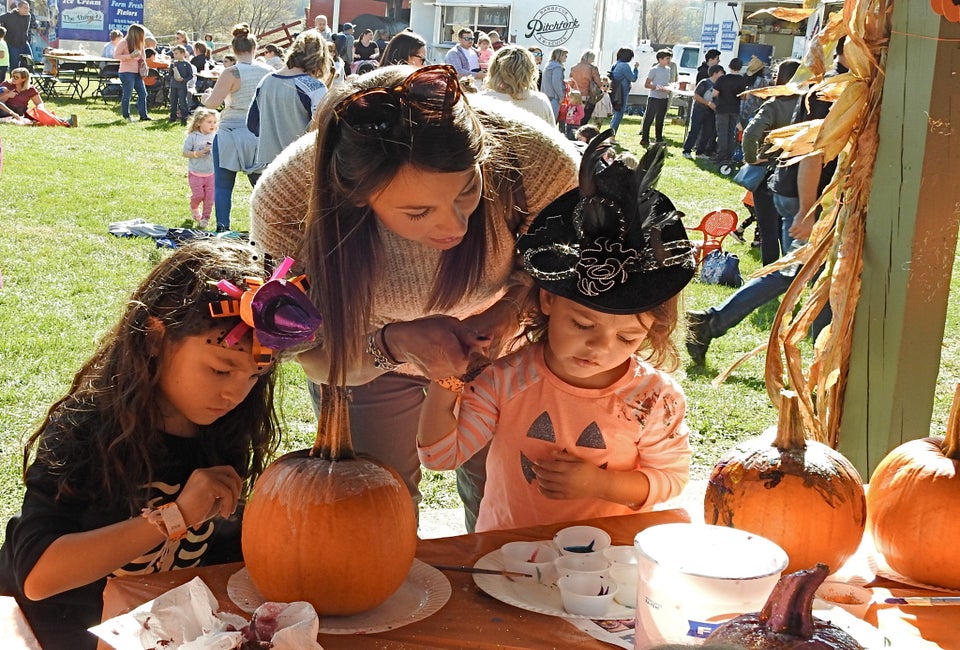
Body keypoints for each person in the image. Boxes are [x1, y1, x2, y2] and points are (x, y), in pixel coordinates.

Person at [249, 64, 580, 532]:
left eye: (468, 191)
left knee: (506, 493)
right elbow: (313, 356)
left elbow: (559, 275)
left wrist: (510, 312)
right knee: (377, 505)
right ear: (358, 197)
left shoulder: (534, 160)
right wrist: (393, 345)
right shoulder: (288, 201)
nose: (455, 226)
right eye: (418, 211)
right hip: (362, 357)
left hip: (501, 351)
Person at [0, 239, 321, 650]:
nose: (235, 395)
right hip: (53, 631)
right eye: (221, 370)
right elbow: (39, 577)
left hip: (158, 631)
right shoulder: (86, 430)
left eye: (254, 377)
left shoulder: (224, 432)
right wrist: (177, 516)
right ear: (155, 338)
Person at [416, 137, 695, 532]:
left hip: (607, 562)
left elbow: (670, 479)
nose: (601, 347)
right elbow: (441, 457)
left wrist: (601, 483)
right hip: (509, 552)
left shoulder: (654, 400)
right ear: (547, 301)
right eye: (582, 325)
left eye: (628, 338)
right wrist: (445, 378)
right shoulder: (505, 380)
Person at [686, 42, 847, 366]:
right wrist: (806, 209)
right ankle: (712, 323)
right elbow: (811, 155)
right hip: (804, 196)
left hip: (803, 194)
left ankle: (710, 323)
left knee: (804, 273)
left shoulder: (832, 87)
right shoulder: (829, 92)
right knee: (804, 275)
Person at [201, 23, 272, 232]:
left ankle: (223, 228)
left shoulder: (231, 72)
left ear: (233, 50)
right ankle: (268, 227)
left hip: (231, 130)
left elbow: (213, 103)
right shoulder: (269, 71)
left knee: (223, 185)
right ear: (255, 48)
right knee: (262, 187)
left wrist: (205, 97)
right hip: (258, 133)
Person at [736, 58, 802, 265]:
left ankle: (770, 275)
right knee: (791, 229)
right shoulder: (810, 104)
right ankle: (790, 276)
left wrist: (751, 159)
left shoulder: (775, 105)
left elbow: (750, 134)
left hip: (769, 172)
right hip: (800, 172)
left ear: (780, 79)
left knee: (768, 230)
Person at [247, 28, 331, 170]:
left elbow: (252, 123)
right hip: (302, 165)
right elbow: (322, 131)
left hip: (269, 166)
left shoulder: (266, 81)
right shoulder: (315, 87)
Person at [481, 44, 554, 126]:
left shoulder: (481, 100)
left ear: (493, 69)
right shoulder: (540, 101)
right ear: (529, 71)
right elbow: (554, 136)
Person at [0, 66, 74, 125]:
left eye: (16, 77)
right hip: (6, 111)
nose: (13, 79)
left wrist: (40, 108)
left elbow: (39, 103)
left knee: (40, 113)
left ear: (24, 79)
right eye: (13, 76)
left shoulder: (30, 89)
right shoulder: (6, 85)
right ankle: (65, 122)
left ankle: (65, 121)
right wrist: (7, 96)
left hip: (22, 111)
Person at [712, 56, 751, 164]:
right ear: (740, 67)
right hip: (734, 109)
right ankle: (729, 156)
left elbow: (714, 93)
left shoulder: (722, 79)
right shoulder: (742, 80)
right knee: (731, 133)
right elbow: (745, 97)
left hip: (722, 109)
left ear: (729, 66)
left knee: (722, 133)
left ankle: (721, 157)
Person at [183, 108, 217, 228]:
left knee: (209, 199)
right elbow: (185, 152)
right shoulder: (193, 137)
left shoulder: (216, 136)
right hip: (196, 173)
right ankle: (194, 207)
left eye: (214, 122)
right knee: (198, 195)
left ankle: (205, 218)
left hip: (211, 173)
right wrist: (197, 154)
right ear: (199, 123)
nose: (212, 125)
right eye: (209, 122)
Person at [681, 63, 722, 158]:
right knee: (695, 130)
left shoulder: (719, 85)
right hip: (699, 110)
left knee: (707, 132)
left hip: (711, 112)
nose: (722, 75)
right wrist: (708, 103)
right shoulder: (704, 82)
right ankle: (686, 150)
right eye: (721, 73)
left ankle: (700, 152)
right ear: (715, 73)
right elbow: (696, 96)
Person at [114, 23, 151, 122]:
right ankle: (126, 116)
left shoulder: (140, 43)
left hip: (138, 72)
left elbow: (142, 56)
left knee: (143, 94)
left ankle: (144, 116)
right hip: (126, 72)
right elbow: (116, 56)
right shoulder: (124, 43)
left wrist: (144, 66)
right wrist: (130, 56)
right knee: (127, 94)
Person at [639, 49, 673, 147]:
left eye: (669, 59)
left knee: (660, 119)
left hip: (664, 97)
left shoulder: (668, 69)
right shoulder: (654, 69)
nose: (668, 61)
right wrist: (657, 87)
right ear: (660, 59)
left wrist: (669, 87)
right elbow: (647, 84)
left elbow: (666, 82)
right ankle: (645, 138)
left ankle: (659, 138)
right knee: (649, 118)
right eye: (667, 59)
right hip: (654, 97)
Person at [608, 47, 638, 138]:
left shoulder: (616, 64)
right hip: (621, 93)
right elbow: (633, 78)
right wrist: (636, 69)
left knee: (616, 113)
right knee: (619, 114)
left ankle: (610, 134)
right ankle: (612, 136)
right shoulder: (624, 66)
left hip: (615, 91)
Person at [0, 0, 35, 73]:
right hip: (13, 44)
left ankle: (29, 81)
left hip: (24, 43)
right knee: (14, 64)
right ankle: (13, 82)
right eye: (25, 8)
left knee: (30, 62)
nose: (27, 10)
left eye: (28, 8)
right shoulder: (9, 15)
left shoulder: (28, 15)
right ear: (18, 8)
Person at [569, 49, 602, 124]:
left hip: (574, 94)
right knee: (584, 117)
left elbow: (571, 82)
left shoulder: (574, 67)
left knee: (574, 116)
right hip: (587, 95)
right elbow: (599, 83)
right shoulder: (592, 68)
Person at [168, 44, 194, 125]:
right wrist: (171, 66)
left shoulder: (187, 64)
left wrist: (184, 79)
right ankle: (173, 117)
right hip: (173, 85)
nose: (174, 55)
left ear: (182, 54)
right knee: (173, 102)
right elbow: (170, 74)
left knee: (182, 102)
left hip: (182, 86)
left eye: (176, 53)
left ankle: (184, 118)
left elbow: (190, 75)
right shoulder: (174, 63)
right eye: (174, 54)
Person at [540, 46, 567, 123]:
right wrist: (561, 96)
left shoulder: (548, 65)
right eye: (565, 56)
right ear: (560, 56)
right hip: (554, 98)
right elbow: (556, 83)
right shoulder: (557, 67)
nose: (566, 58)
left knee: (544, 121)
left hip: (546, 96)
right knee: (551, 122)